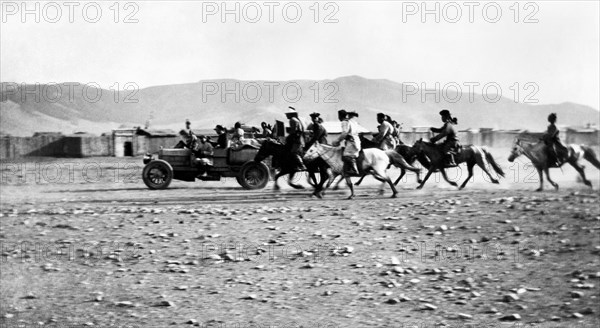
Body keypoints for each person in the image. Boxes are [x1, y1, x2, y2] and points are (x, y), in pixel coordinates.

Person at [333, 109, 361, 176]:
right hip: (356, 141)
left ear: (340, 116)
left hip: (351, 142)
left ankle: (354, 170)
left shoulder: (344, 122)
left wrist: (337, 141)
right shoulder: (353, 122)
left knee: (346, 155)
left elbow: (344, 133)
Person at [285, 106, 307, 171]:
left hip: (297, 140)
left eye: (287, 114)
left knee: (293, 153)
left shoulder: (292, 120)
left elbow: (293, 131)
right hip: (300, 138)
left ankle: (302, 165)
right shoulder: (296, 119)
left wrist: (288, 136)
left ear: (290, 114)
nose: (286, 116)